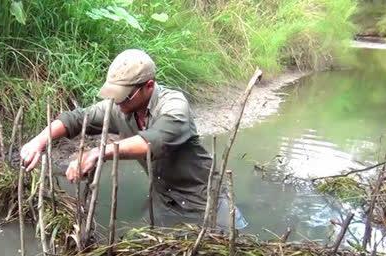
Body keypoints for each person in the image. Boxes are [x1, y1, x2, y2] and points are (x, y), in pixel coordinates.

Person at [20, 49, 247, 229]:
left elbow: (154, 141)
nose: (117, 103)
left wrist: (100, 152)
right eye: (114, 95)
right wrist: (38, 142)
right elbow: (76, 119)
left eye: (123, 97)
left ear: (148, 86)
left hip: (204, 199)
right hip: (162, 199)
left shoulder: (174, 105)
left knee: (230, 246)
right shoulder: (120, 106)